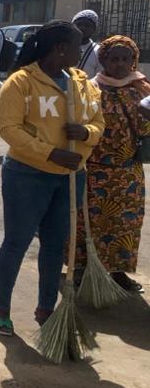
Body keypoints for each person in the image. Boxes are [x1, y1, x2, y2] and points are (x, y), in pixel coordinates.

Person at [0, 21, 103, 337]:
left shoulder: (82, 83)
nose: (81, 51)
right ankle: (0, 308)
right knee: (16, 242)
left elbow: (98, 121)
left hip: (70, 177)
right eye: (77, 45)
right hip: (27, 175)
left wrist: (86, 133)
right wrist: (50, 153)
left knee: (55, 246)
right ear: (60, 48)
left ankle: (46, 309)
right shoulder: (21, 82)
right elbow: (9, 129)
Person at [73, 35, 150, 292]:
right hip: (94, 170)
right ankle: (81, 269)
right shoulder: (90, 89)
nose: (119, 64)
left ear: (133, 61)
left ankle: (118, 272)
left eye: (125, 59)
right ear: (103, 60)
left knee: (125, 223)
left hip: (128, 173)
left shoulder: (142, 90)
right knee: (87, 222)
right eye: (113, 59)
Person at [73, 9, 103, 78]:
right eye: (79, 24)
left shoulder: (98, 51)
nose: (82, 28)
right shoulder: (64, 47)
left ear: (94, 29)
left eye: (87, 25)